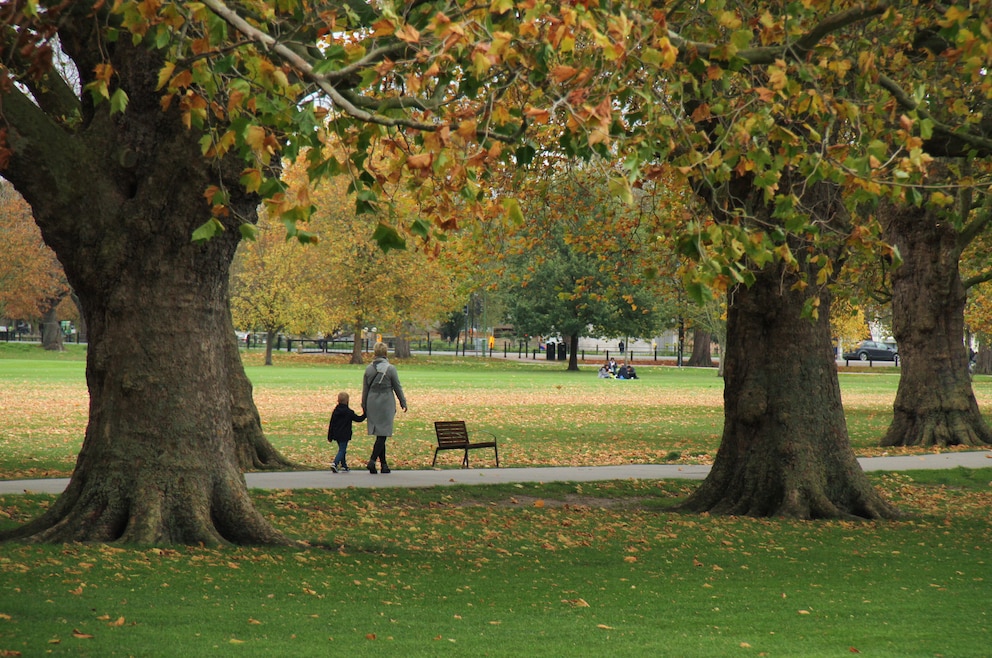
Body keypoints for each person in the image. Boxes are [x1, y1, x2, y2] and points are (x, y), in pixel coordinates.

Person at [362, 342, 407, 474]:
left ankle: (384, 465)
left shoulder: (369, 369)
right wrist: (402, 401)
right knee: (383, 433)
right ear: (386, 353)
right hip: (386, 401)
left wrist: (364, 404)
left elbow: (365, 389)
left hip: (372, 401)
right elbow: (397, 387)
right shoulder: (391, 369)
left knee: (380, 434)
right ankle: (372, 460)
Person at [327, 391, 366, 473]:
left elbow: (332, 423)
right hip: (344, 434)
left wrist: (330, 435)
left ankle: (344, 465)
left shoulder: (335, 411)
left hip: (336, 434)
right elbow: (358, 419)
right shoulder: (349, 412)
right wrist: (365, 414)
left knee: (342, 449)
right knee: (342, 450)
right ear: (347, 401)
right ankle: (335, 463)